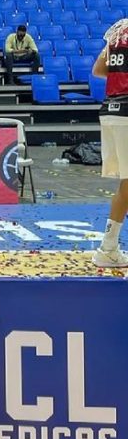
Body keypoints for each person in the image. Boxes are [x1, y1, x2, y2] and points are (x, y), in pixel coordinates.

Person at [92, 17, 128, 268]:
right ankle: (107, 248)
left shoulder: (119, 30)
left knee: (127, 184)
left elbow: (98, 69)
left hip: (112, 110)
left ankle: (109, 247)